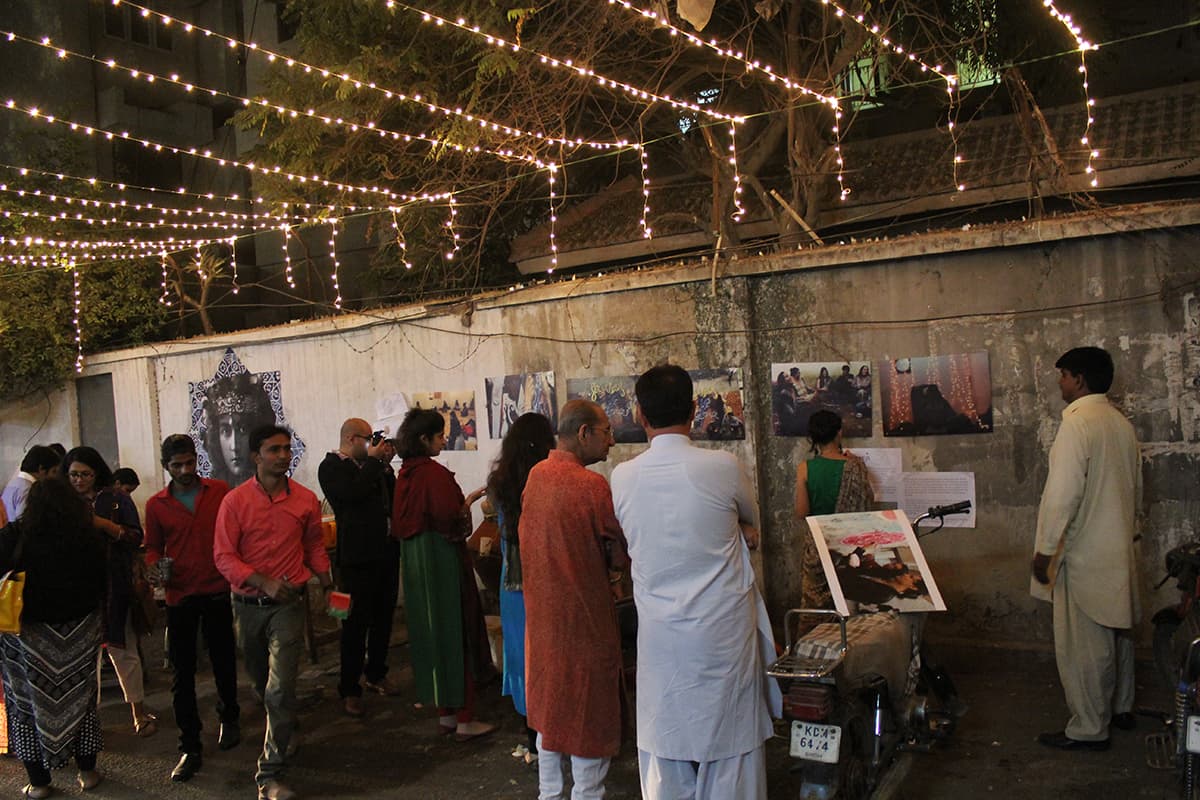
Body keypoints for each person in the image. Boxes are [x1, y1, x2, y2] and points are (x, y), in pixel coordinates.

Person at [611, 365, 779, 800]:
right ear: (693, 410)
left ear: (639, 415)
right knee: (732, 753)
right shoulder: (722, 466)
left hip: (662, 639)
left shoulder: (622, 477)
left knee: (666, 751)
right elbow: (750, 518)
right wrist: (739, 531)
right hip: (722, 636)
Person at [214, 425, 333, 800]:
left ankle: (270, 775)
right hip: (246, 607)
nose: (282, 456)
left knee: (280, 688)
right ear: (256, 456)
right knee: (261, 684)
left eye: (286, 449)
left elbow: (313, 544)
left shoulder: (305, 500)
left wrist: (327, 582)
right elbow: (223, 556)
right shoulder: (235, 503)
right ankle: (285, 725)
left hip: (288, 606)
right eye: (273, 450)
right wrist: (261, 580)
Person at [1032, 347, 1141, 751]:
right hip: (1119, 548)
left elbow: (1062, 496)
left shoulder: (1077, 425)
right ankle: (1121, 708)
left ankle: (1089, 729)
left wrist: (1044, 552)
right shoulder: (1120, 423)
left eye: (1062, 376)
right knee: (1119, 635)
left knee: (1084, 648)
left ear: (1078, 379)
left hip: (1083, 554)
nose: (1059, 383)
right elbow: (1137, 491)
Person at [520, 399, 628, 800]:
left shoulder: (536, 476)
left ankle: (549, 794)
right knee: (588, 716)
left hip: (545, 620)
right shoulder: (591, 485)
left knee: (550, 711)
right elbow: (619, 549)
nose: (612, 441)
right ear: (583, 433)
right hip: (584, 620)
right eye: (606, 432)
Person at [391, 408, 496, 741]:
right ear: (424, 439)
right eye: (439, 436)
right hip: (441, 563)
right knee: (454, 634)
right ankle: (465, 718)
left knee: (431, 637)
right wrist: (467, 503)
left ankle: (446, 714)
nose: (443, 441)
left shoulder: (405, 475)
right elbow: (451, 521)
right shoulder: (433, 475)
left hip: (416, 567)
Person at [0, 478, 108, 797]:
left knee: (25, 706)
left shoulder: (15, 536)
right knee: (82, 702)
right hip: (80, 634)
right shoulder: (88, 536)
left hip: (27, 638)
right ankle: (87, 774)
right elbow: (102, 583)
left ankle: (39, 782)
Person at [143, 434, 241, 783]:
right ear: (165, 467)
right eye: (176, 466)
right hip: (180, 596)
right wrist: (155, 566)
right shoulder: (156, 505)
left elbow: (234, 533)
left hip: (216, 588)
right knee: (182, 674)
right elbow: (152, 547)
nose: (185, 470)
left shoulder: (219, 491)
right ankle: (190, 745)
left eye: (188, 462)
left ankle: (230, 716)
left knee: (224, 660)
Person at [63, 446, 157, 737]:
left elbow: (135, 537)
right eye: (73, 474)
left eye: (85, 474)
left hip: (115, 587)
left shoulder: (116, 499)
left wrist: (104, 525)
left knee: (123, 650)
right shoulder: (63, 503)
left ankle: (138, 712)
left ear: (97, 473)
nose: (79, 480)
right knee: (83, 659)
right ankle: (89, 722)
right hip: (77, 590)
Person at [485, 412, 556, 764]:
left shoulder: (499, 483)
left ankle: (533, 738)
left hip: (513, 585)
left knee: (521, 655)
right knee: (549, 655)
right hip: (546, 581)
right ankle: (556, 735)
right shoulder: (550, 480)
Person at [318, 418, 401, 719]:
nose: (373, 445)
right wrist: (375, 464)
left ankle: (376, 672)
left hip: (386, 553)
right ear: (352, 439)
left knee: (384, 618)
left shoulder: (374, 468)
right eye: (369, 439)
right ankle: (349, 688)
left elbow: (390, 498)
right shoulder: (330, 467)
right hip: (353, 561)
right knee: (352, 624)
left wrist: (385, 465)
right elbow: (351, 496)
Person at [794, 410, 875, 609]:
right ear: (839, 433)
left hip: (819, 548)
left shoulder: (805, 468)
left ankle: (812, 639)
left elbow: (801, 512)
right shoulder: (855, 466)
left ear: (812, 438)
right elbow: (868, 503)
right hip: (850, 548)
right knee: (848, 605)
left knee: (815, 609)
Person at [202, 372, 276, 488]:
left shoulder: (273, 487)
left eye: (243, 429)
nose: (234, 446)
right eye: (226, 431)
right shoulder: (213, 494)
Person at [2, 445, 60, 520]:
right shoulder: (29, 489)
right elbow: (25, 523)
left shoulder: (13, 483)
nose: (55, 477)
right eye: (54, 471)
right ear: (41, 469)